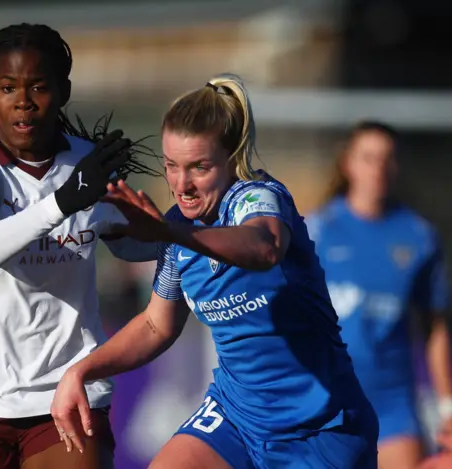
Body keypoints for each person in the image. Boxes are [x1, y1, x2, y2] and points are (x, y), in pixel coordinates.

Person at [50, 74, 379, 469]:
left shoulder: (257, 197)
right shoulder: (177, 229)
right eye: (172, 166)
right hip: (236, 417)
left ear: (230, 158)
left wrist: (171, 231)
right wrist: (81, 371)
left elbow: (265, 247)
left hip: (320, 429)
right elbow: (157, 325)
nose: (181, 184)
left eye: (199, 168)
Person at [0, 23, 160, 469]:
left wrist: (191, 229)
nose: (23, 101)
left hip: (69, 390)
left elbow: (129, 247)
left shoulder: (89, 165)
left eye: (39, 87)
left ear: (64, 91)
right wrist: (63, 202)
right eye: (8, 87)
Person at [305, 122, 452, 469]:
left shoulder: (419, 237)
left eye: (387, 159)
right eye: (368, 158)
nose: (378, 168)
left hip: (393, 406)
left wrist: (447, 404)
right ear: (348, 164)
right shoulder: (316, 230)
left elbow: (435, 327)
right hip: (327, 400)